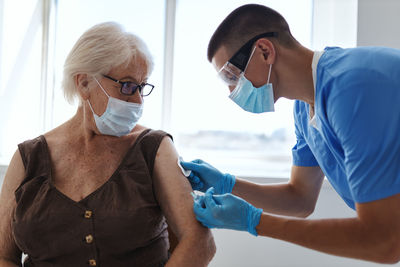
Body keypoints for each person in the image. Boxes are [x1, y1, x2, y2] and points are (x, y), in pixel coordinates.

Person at [181, 4, 400, 264]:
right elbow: (300, 199)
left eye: (231, 75)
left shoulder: (355, 88)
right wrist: (228, 184)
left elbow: (384, 242)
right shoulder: (304, 107)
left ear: (265, 51)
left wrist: (255, 222)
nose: (231, 91)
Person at [0, 22, 215, 267]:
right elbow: (4, 255)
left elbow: (200, 243)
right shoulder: (29, 158)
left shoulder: (155, 149)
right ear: (83, 84)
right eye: (127, 85)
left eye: (142, 87)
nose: (137, 101)